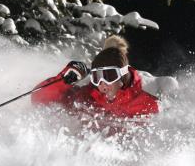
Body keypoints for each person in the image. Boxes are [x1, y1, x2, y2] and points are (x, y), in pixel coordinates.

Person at [31, 35, 159, 118]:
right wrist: (62, 81)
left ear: (123, 75)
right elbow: (38, 100)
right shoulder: (86, 98)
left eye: (109, 76)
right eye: (97, 77)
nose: (102, 84)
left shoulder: (147, 104)